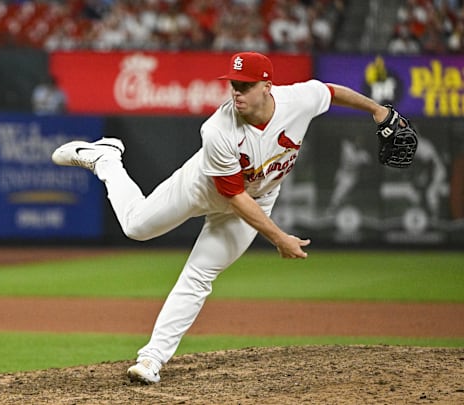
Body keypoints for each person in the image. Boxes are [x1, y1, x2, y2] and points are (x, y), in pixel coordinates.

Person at [51, 51, 400, 384]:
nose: (237, 92)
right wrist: (279, 237)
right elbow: (233, 195)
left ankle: (151, 359)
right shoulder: (218, 129)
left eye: (246, 85)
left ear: (267, 86)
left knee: (199, 275)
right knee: (136, 227)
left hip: (257, 200)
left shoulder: (298, 100)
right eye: (234, 84)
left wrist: (377, 111)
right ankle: (107, 159)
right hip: (202, 187)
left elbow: (331, 92)